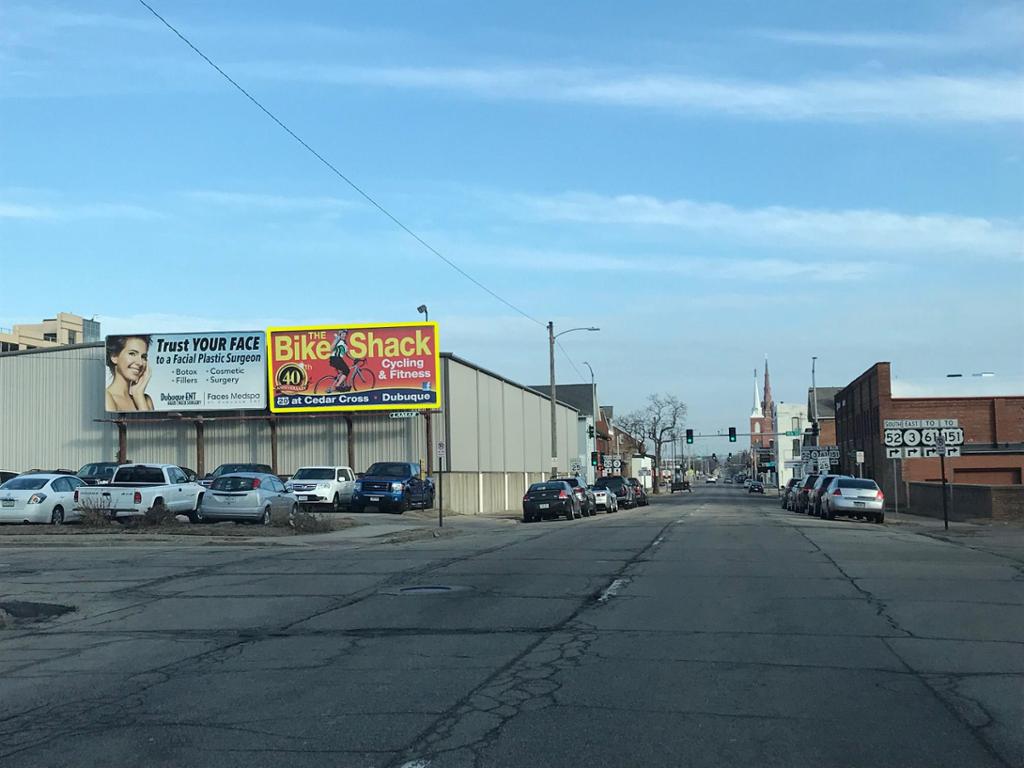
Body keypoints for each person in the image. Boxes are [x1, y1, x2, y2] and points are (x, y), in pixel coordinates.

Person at [105, 335, 154, 412]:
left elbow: (150, 424)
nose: (140, 363)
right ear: (114, 356)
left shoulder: (146, 400)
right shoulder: (106, 397)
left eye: (143, 357)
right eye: (132, 353)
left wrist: (138, 395)